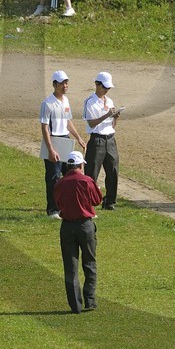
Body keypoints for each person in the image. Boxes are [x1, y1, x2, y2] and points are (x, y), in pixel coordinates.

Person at [55, 150, 102, 313]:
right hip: (85, 226)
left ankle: (75, 305)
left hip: (67, 227)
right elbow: (97, 200)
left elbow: (57, 202)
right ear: (81, 165)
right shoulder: (87, 181)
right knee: (89, 263)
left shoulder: (60, 183)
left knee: (70, 266)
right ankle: (90, 300)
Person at [40, 70, 82, 219]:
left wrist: (78, 137)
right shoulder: (47, 103)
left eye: (66, 82)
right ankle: (53, 209)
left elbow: (68, 121)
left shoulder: (65, 101)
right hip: (53, 140)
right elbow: (44, 127)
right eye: (62, 83)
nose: (65, 85)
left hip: (65, 139)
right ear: (54, 84)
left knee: (70, 174)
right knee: (53, 177)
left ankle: (68, 205)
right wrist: (51, 149)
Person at [82, 71, 123, 211]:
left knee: (113, 170)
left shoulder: (109, 101)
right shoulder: (90, 102)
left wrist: (116, 117)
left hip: (110, 139)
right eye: (104, 86)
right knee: (92, 172)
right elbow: (91, 123)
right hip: (97, 139)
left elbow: (112, 125)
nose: (106, 90)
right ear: (97, 84)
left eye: (108, 88)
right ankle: (87, 201)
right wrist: (107, 115)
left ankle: (110, 200)